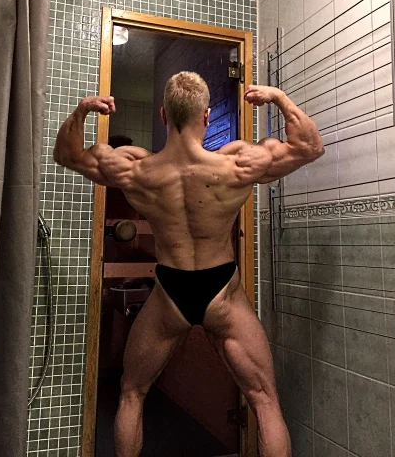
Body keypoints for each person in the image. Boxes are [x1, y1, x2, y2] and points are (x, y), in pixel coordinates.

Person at [53, 72, 324, 457]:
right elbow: (310, 146)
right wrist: (279, 98)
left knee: (132, 393)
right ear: (206, 116)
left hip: (171, 292)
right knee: (264, 400)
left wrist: (81, 111)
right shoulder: (237, 164)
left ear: (163, 115)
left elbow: (66, 155)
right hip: (222, 291)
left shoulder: (135, 170)